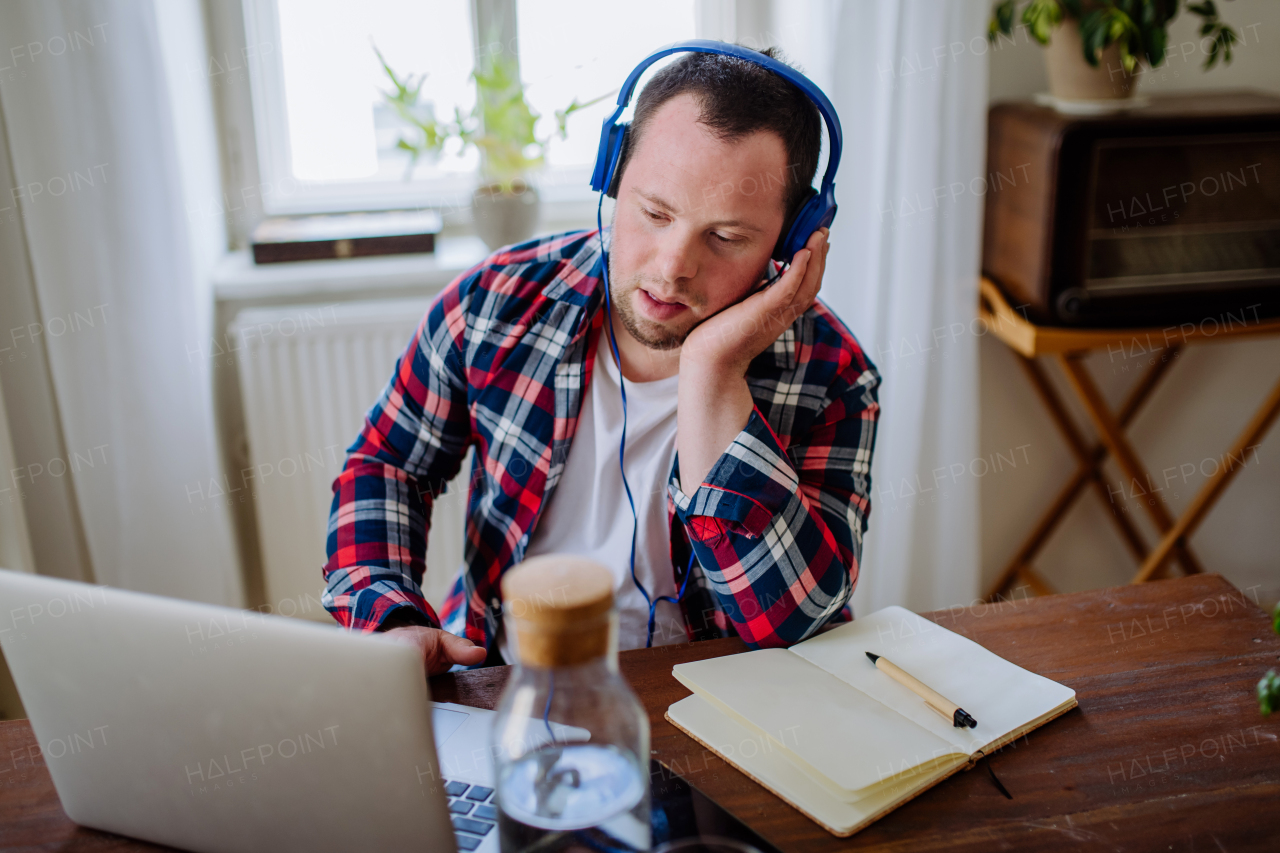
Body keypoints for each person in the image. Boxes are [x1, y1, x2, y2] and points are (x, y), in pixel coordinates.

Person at [321, 45, 880, 675]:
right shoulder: (495, 303)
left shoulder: (833, 375)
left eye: (725, 238)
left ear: (792, 239)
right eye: (654, 213)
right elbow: (389, 462)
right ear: (612, 174)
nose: (672, 267)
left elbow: (790, 624)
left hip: (720, 700)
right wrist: (390, 616)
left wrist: (713, 372)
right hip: (510, 675)